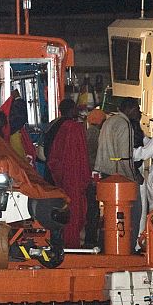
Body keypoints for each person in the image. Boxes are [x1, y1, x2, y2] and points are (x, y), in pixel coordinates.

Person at [94, 98, 144, 247]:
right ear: (130, 109)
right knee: (134, 212)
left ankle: (108, 245)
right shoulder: (124, 124)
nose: (139, 113)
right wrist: (134, 176)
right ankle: (127, 246)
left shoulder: (109, 121)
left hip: (106, 173)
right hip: (120, 177)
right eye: (137, 109)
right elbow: (124, 155)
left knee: (110, 214)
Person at [46, 98, 91, 248]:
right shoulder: (75, 128)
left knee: (60, 212)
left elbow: (51, 155)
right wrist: (85, 178)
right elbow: (82, 156)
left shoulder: (55, 125)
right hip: (74, 178)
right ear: (72, 110)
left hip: (60, 179)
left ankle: (59, 243)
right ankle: (72, 245)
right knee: (75, 213)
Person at [84, 108, 107, 246]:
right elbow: (94, 157)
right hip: (93, 176)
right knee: (93, 210)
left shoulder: (88, 132)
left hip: (89, 175)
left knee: (91, 209)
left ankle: (90, 239)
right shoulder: (95, 134)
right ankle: (91, 241)